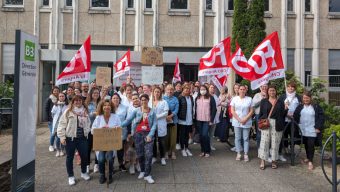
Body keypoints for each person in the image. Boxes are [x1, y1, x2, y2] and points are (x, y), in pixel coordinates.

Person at [121, 94, 157, 184]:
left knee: (149, 155)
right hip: (138, 134)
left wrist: (150, 135)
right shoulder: (137, 111)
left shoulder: (152, 111)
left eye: (145, 99)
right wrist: (118, 125)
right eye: (142, 100)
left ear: (148, 100)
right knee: (140, 154)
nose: (143, 101)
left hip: (148, 135)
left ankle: (147, 174)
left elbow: (155, 125)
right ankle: (142, 170)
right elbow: (128, 120)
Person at [57, 95, 91, 186]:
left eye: (79, 100)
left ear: (82, 101)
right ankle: (71, 176)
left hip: (83, 138)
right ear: (73, 102)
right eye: (76, 100)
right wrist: (62, 137)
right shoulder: (68, 111)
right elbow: (61, 124)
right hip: (70, 138)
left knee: (84, 156)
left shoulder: (85, 111)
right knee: (70, 158)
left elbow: (88, 123)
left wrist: (88, 131)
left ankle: (84, 173)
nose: (78, 102)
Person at [91, 99, 121, 184]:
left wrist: (116, 129)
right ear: (102, 107)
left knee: (110, 159)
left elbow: (119, 128)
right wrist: (100, 129)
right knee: (101, 159)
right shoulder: (98, 117)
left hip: (111, 143)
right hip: (101, 144)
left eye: (108, 105)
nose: (107, 107)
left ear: (111, 107)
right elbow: (92, 130)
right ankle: (102, 174)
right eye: (105, 105)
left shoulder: (116, 116)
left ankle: (110, 174)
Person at [294, 91, 325, 170]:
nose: (306, 99)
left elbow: (321, 117)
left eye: (307, 98)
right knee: (306, 144)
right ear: (302, 99)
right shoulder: (300, 107)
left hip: (312, 129)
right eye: (304, 98)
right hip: (302, 129)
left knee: (311, 145)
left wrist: (318, 127)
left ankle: (310, 161)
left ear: (310, 98)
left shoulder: (316, 106)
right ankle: (308, 157)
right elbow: (295, 116)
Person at [258, 85, 286, 170]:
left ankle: (274, 160)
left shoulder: (280, 102)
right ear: (268, 92)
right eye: (270, 90)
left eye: (273, 90)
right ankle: (262, 161)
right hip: (266, 123)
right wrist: (260, 123)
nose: (272, 92)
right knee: (264, 142)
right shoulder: (263, 101)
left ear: (276, 91)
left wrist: (286, 109)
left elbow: (283, 115)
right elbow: (261, 114)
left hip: (277, 124)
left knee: (275, 143)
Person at [278, 81, 301, 162]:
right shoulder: (282, 96)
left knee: (293, 134)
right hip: (284, 119)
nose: (290, 88)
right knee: (284, 134)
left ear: (295, 88)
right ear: (286, 87)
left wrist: (294, 115)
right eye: (289, 86)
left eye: (292, 87)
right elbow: (279, 108)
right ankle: (285, 147)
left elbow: (299, 108)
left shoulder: (298, 97)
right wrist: (286, 113)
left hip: (293, 119)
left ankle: (292, 148)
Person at [230, 85, 253, 161]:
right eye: (241, 89)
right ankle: (238, 153)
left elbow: (251, 111)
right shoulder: (234, 99)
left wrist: (245, 119)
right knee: (237, 138)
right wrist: (239, 120)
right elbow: (232, 111)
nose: (242, 90)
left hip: (247, 121)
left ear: (246, 90)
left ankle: (246, 154)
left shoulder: (249, 99)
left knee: (246, 138)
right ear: (238, 90)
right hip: (237, 121)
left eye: (244, 89)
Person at [195, 85, 217, 158]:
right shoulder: (197, 98)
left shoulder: (211, 97)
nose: (202, 91)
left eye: (204, 89)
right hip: (198, 120)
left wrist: (211, 120)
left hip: (207, 120)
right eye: (201, 89)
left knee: (205, 135)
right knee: (201, 136)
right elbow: (195, 108)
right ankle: (202, 151)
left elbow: (214, 109)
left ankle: (207, 151)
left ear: (206, 90)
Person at [151, 87, 169, 165]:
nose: (157, 93)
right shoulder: (150, 102)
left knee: (162, 141)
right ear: (153, 92)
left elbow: (166, 113)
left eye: (158, 92)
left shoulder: (164, 102)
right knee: (153, 141)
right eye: (155, 91)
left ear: (160, 93)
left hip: (161, 123)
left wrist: (156, 116)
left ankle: (162, 157)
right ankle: (154, 157)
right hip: (152, 124)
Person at [85, 87, 101, 173]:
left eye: (97, 93)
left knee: (98, 147)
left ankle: (96, 164)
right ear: (91, 94)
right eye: (94, 93)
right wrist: (93, 113)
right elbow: (85, 115)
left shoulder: (101, 103)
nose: (96, 94)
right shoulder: (87, 103)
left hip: (99, 129)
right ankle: (87, 165)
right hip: (89, 128)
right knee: (88, 147)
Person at [111, 93, 128, 172]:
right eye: (114, 98)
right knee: (111, 149)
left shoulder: (124, 108)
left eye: (117, 98)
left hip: (122, 131)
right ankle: (111, 166)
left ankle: (121, 164)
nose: (115, 100)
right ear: (111, 99)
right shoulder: (108, 107)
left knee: (120, 149)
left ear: (119, 99)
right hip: (111, 132)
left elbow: (127, 119)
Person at [125, 93, 141, 174]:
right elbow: (128, 122)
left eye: (136, 98)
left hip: (141, 133)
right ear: (132, 100)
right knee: (132, 150)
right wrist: (128, 133)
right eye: (133, 99)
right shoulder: (130, 109)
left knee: (139, 149)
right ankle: (131, 165)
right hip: (132, 132)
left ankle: (137, 163)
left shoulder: (143, 108)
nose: (135, 100)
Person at [163, 84, 179, 159]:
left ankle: (173, 152)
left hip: (173, 121)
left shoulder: (175, 99)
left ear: (173, 91)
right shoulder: (162, 98)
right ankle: (166, 151)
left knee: (173, 137)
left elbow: (176, 109)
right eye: (168, 89)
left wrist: (171, 116)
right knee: (166, 137)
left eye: (171, 90)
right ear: (165, 90)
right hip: (164, 121)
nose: (170, 91)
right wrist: (165, 117)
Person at [177, 84, 194, 157]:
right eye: (185, 88)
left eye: (188, 88)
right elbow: (178, 109)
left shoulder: (190, 97)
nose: (187, 90)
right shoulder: (180, 97)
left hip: (189, 119)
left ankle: (186, 148)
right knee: (182, 135)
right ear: (182, 89)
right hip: (182, 119)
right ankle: (182, 149)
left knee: (187, 135)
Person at [51, 92, 68, 157]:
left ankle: (62, 150)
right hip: (57, 124)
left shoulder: (67, 105)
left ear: (65, 97)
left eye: (63, 96)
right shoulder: (55, 105)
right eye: (60, 96)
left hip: (64, 124)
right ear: (58, 97)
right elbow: (52, 114)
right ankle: (58, 150)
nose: (61, 97)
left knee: (63, 138)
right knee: (58, 138)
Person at [252, 84, 268, 148]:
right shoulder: (257, 95)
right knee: (259, 131)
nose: (264, 88)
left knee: (267, 132)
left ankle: (266, 148)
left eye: (265, 86)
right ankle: (259, 148)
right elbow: (254, 105)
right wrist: (262, 99)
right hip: (259, 115)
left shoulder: (269, 94)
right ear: (260, 87)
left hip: (268, 115)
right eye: (262, 86)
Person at [45, 86, 60, 152]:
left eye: (57, 91)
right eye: (55, 91)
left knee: (58, 133)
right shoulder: (49, 99)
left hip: (58, 119)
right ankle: (51, 145)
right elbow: (46, 109)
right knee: (53, 133)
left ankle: (56, 145)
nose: (56, 92)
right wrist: (48, 119)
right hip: (51, 119)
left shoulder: (59, 99)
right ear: (52, 91)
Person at [208, 84, 220, 151]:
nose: (212, 89)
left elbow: (217, 105)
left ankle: (211, 145)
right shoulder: (207, 96)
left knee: (212, 133)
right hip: (208, 117)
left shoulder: (215, 96)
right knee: (206, 132)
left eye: (213, 88)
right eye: (211, 87)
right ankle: (206, 145)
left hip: (215, 117)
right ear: (208, 88)